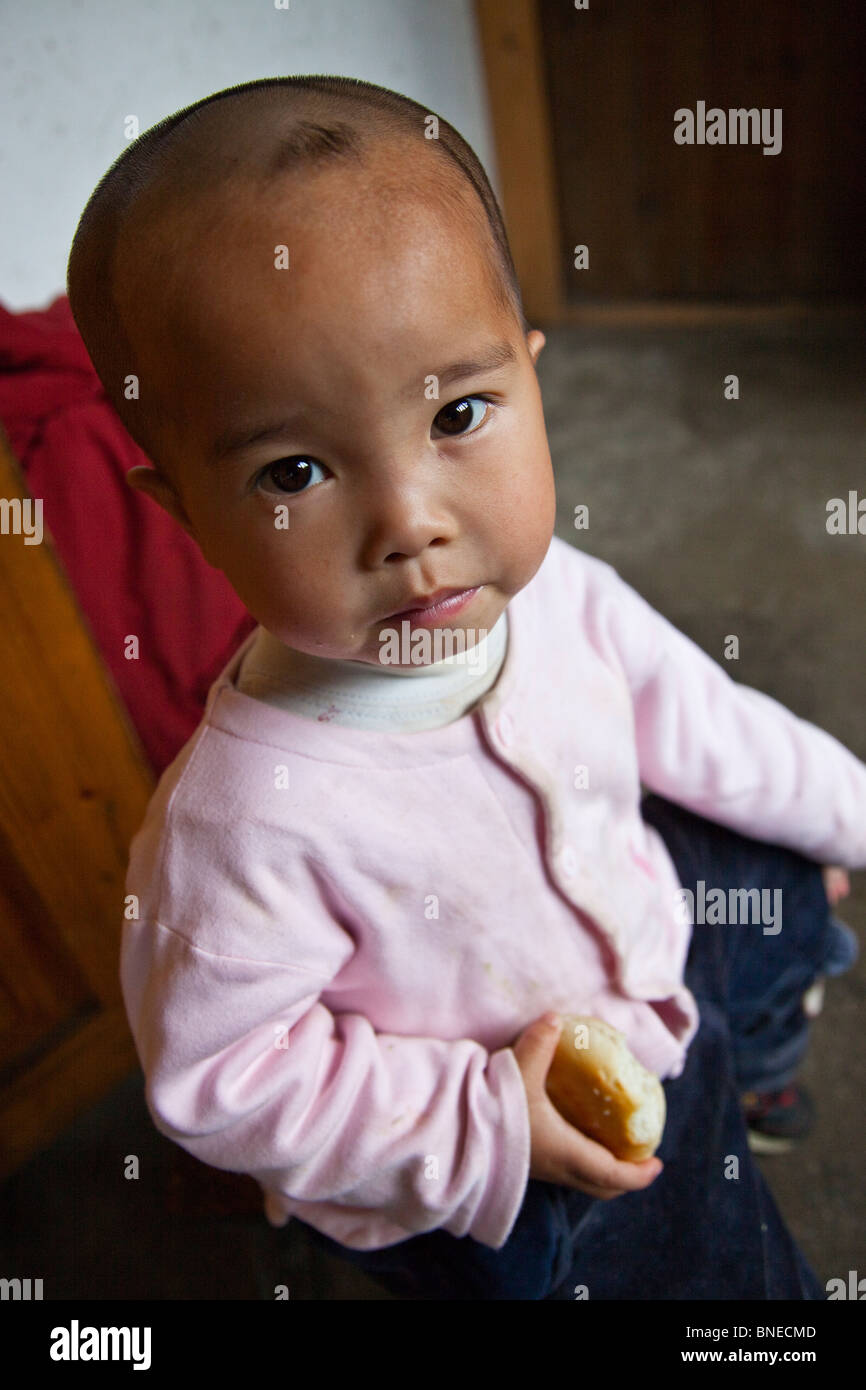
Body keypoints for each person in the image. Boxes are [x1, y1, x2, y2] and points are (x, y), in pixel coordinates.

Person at [67, 75, 862, 1300]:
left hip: (634, 931)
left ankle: (755, 1055)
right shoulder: (244, 823)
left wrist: (839, 811)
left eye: (459, 411)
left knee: (764, 858)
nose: (410, 521)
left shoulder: (560, 594)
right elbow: (224, 1077)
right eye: (296, 468)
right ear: (185, 512)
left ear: (534, 377)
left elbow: (705, 721)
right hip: (520, 1162)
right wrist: (480, 1123)